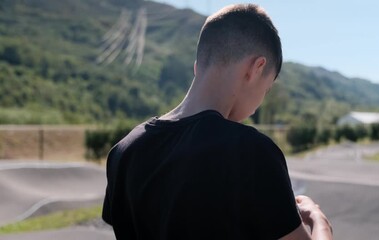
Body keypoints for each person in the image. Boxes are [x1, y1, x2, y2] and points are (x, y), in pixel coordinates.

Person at [102, 4, 332, 240]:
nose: (257, 107)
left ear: (197, 67)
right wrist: (318, 220)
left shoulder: (123, 152)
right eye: (267, 88)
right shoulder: (251, 152)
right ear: (256, 68)